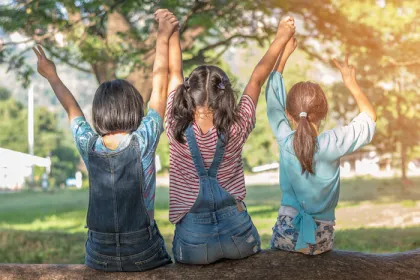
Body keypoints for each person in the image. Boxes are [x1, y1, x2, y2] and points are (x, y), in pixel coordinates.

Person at [32, 9, 178, 271]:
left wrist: (52, 76)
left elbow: (72, 109)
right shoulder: (143, 140)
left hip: (99, 255)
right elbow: (160, 85)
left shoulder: (89, 146)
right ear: (135, 109)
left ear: (99, 112)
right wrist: (162, 36)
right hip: (143, 252)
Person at [163, 13, 296, 264]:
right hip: (239, 237)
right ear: (224, 95)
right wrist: (281, 38)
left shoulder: (174, 126)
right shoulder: (238, 125)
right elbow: (257, 78)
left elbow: (174, 74)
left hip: (194, 244)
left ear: (188, 94)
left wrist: (173, 33)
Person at [267, 36, 377, 255]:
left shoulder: (285, 139)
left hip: (286, 234)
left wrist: (284, 56)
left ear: (289, 115)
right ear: (323, 114)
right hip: (321, 240)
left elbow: (273, 102)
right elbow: (369, 118)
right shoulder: (333, 143)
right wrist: (350, 83)